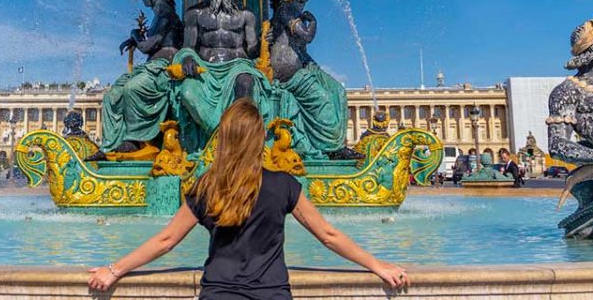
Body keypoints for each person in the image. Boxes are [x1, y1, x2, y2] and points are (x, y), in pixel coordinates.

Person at [88, 99, 408, 298]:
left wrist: (114, 270)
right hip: (271, 292)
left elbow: (166, 240)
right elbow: (328, 235)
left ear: (223, 139)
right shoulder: (283, 184)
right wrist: (376, 264)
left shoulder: (206, 185)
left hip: (219, 291)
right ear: (260, 139)